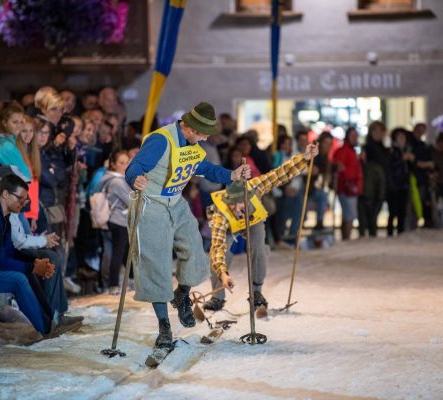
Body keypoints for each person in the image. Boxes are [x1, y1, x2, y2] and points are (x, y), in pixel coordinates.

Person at [124, 102, 250, 355]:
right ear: (189, 128)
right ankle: (164, 326)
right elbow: (134, 166)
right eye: (203, 133)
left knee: (194, 250)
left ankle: (181, 294)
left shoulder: (193, 145)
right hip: (151, 204)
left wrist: (232, 175)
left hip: (175, 202)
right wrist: (134, 178)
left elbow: (206, 169)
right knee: (155, 264)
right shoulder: (161, 140)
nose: (206, 138)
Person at [203, 142, 319, 312]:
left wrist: (306, 158)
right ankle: (217, 296)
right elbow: (217, 249)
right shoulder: (220, 214)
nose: (240, 210)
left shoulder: (255, 187)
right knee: (220, 254)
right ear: (231, 204)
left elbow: (281, 173)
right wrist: (223, 274)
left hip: (254, 220)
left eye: (244, 205)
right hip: (229, 227)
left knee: (259, 247)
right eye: (238, 207)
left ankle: (257, 291)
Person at [0, 174, 79, 337]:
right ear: (5, 194)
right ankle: (47, 329)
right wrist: (33, 266)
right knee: (18, 280)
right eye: (20, 198)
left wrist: (35, 262)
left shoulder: (3, 214)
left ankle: (53, 320)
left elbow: (9, 251)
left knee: (26, 272)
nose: (23, 203)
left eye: (25, 200)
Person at [100, 150, 132, 295]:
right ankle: (113, 284)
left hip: (121, 220)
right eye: (121, 163)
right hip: (118, 221)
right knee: (118, 253)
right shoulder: (117, 181)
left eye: (127, 162)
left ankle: (130, 279)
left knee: (125, 252)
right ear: (113, 164)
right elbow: (132, 200)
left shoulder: (119, 179)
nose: (125, 166)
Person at [0, 101, 31, 181]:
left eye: (21, 122)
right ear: (4, 122)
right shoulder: (5, 146)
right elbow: (26, 177)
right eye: (15, 122)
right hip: (7, 191)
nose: (19, 126)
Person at [358, 121, 388, 238]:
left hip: (380, 186)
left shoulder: (383, 148)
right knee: (368, 214)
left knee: (374, 214)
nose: (378, 133)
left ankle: (371, 237)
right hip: (368, 187)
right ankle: (367, 239)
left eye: (381, 131)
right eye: (375, 130)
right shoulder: (367, 147)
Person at [333, 127, 363, 240]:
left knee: (347, 215)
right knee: (349, 216)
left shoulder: (351, 151)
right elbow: (339, 167)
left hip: (351, 187)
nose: (355, 138)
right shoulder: (343, 151)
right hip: (346, 188)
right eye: (353, 136)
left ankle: (346, 237)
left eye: (356, 136)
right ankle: (346, 238)